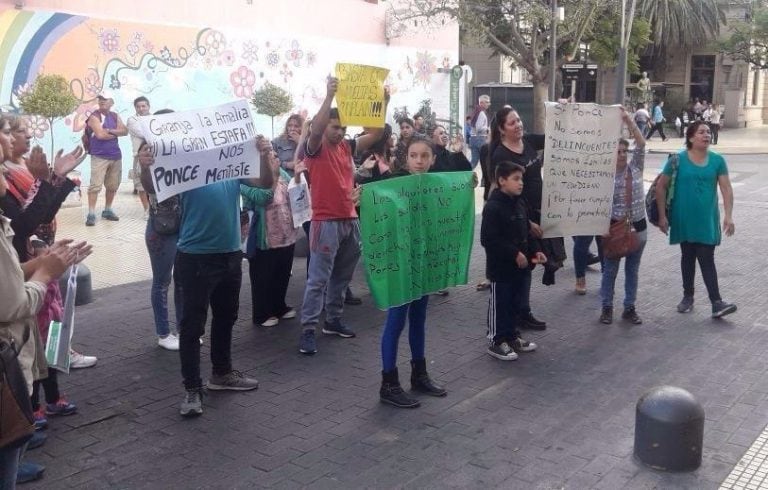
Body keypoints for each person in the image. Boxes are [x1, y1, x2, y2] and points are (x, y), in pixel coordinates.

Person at [139, 130, 274, 417]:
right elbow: (155, 186)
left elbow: (264, 183)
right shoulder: (187, 167)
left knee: (226, 317)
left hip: (229, 254)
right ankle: (192, 388)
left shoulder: (231, 164)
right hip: (195, 258)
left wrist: (262, 157)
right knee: (191, 327)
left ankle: (221, 374)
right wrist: (146, 165)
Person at [297, 77, 386, 355]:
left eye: (343, 128)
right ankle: (308, 329)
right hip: (325, 222)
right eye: (335, 127)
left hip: (350, 220)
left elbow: (376, 133)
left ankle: (332, 320)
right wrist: (328, 97)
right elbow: (317, 129)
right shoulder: (315, 147)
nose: (339, 132)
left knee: (342, 276)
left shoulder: (345, 146)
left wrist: (384, 102)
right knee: (318, 279)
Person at [364, 137, 448, 408]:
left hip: (422, 264)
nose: (420, 161)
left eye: (425, 156)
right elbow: (372, 196)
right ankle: (388, 384)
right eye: (414, 155)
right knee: (396, 321)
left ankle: (419, 374)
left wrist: (467, 186)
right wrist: (361, 195)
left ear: (433, 159)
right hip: (399, 265)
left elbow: (455, 193)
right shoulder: (395, 184)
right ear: (406, 158)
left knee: (419, 319)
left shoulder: (435, 185)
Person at [656, 120, 736, 318]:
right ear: (691, 137)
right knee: (688, 256)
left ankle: (716, 302)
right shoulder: (677, 160)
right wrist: (662, 216)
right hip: (684, 218)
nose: (706, 135)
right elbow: (661, 186)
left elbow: (726, 188)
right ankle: (688, 296)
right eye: (701, 132)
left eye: (708, 132)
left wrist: (729, 215)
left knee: (706, 256)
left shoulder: (718, 160)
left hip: (707, 219)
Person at [487, 106, 548, 330]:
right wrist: (527, 222)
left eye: (519, 120)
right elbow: (505, 195)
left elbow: (555, 137)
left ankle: (523, 310)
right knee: (518, 263)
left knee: (530, 261)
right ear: (502, 130)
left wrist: (564, 112)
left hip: (534, 212)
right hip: (518, 216)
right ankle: (514, 315)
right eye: (512, 123)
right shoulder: (500, 155)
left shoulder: (529, 141)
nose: (519, 125)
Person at [481, 161, 546, 361]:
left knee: (515, 303)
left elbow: (526, 231)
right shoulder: (493, 207)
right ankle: (496, 340)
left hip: (521, 267)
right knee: (500, 303)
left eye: (522, 179)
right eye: (516, 179)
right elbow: (489, 239)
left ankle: (512, 335)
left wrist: (536, 251)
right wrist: (514, 253)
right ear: (502, 181)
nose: (521, 183)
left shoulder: (519, 202)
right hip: (501, 269)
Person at [599, 109, 647, 324]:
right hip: (614, 228)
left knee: (632, 271)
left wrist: (629, 120)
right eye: (617, 151)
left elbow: (642, 143)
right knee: (610, 271)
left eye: (624, 152)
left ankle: (629, 307)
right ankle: (607, 307)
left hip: (639, 228)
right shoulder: (604, 176)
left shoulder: (636, 167)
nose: (621, 155)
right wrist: (603, 227)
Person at [241, 150, 298, 328]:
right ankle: (261, 313)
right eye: (270, 156)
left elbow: (295, 191)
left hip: (285, 232)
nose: (275, 158)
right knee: (262, 276)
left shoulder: (282, 173)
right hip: (263, 237)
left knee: (282, 272)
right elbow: (263, 197)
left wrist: (299, 175)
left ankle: (278, 306)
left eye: (274, 155)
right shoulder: (247, 179)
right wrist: (272, 175)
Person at [138, 133, 182, 351]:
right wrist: (145, 167)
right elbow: (149, 186)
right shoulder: (149, 153)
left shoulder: (184, 151)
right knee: (162, 281)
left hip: (185, 226)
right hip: (162, 228)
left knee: (183, 280)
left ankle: (183, 329)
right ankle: (163, 333)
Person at [85, 95, 128, 226]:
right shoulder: (94, 116)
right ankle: (91, 214)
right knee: (95, 186)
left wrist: (109, 130)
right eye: (100, 99)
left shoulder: (115, 116)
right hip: (99, 156)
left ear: (112, 102)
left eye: (105, 99)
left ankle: (107, 210)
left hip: (115, 156)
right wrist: (115, 132)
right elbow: (100, 135)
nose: (102, 101)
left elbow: (125, 131)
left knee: (112, 185)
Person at [126, 96, 151, 218]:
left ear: (148, 106)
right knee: (141, 185)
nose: (141, 109)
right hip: (139, 156)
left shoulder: (155, 118)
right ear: (135, 108)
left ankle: (156, 209)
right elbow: (143, 133)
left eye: (143, 106)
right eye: (138, 106)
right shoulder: (132, 120)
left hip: (155, 155)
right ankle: (147, 210)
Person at [469, 94, 492, 169]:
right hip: (480, 139)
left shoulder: (476, 112)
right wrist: (488, 129)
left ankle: (463, 175)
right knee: (486, 162)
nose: (489, 104)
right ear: (481, 103)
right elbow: (479, 128)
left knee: (474, 161)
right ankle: (485, 180)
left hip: (473, 138)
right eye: (487, 102)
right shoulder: (481, 113)